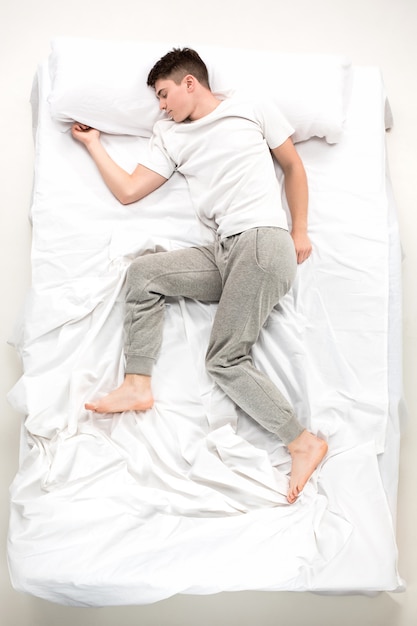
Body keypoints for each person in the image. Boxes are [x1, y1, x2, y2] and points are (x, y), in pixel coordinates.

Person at [71, 48, 327, 504]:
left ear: (191, 83)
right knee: (145, 274)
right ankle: (137, 383)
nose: (161, 106)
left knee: (224, 360)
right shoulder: (169, 136)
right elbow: (130, 190)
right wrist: (94, 144)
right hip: (224, 251)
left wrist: (299, 229)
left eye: (164, 94)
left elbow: (292, 166)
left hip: (263, 242)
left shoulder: (249, 106)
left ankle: (302, 441)